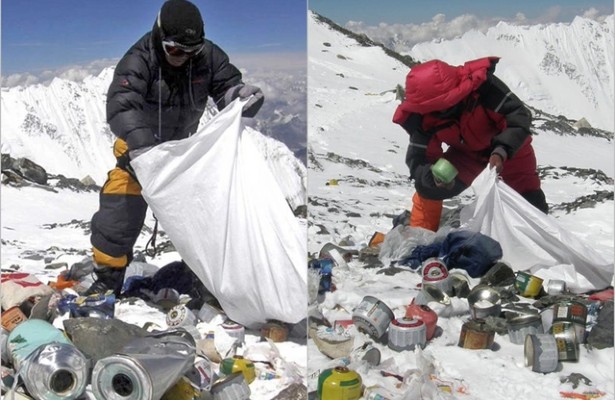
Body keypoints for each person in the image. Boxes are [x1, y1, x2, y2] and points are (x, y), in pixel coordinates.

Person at [84, 0, 264, 296]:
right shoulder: (139, 59)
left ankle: (210, 279)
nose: (183, 57)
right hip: (138, 155)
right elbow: (121, 105)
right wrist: (143, 148)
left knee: (211, 214)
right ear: (159, 36)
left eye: (191, 51)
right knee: (119, 212)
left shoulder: (208, 56)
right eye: (175, 50)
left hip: (183, 155)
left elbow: (226, 87)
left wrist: (240, 97)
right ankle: (107, 278)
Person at [393, 57, 548, 232]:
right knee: (427, 189)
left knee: (529, 201)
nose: (441, 113)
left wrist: (501, 151)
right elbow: (420, 158)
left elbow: (517, 118)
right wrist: (432, 178)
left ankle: (539, 239)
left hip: (509, 149)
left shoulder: (482, 88)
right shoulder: (424, 117)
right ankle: (420, 237)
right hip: (465, 155)